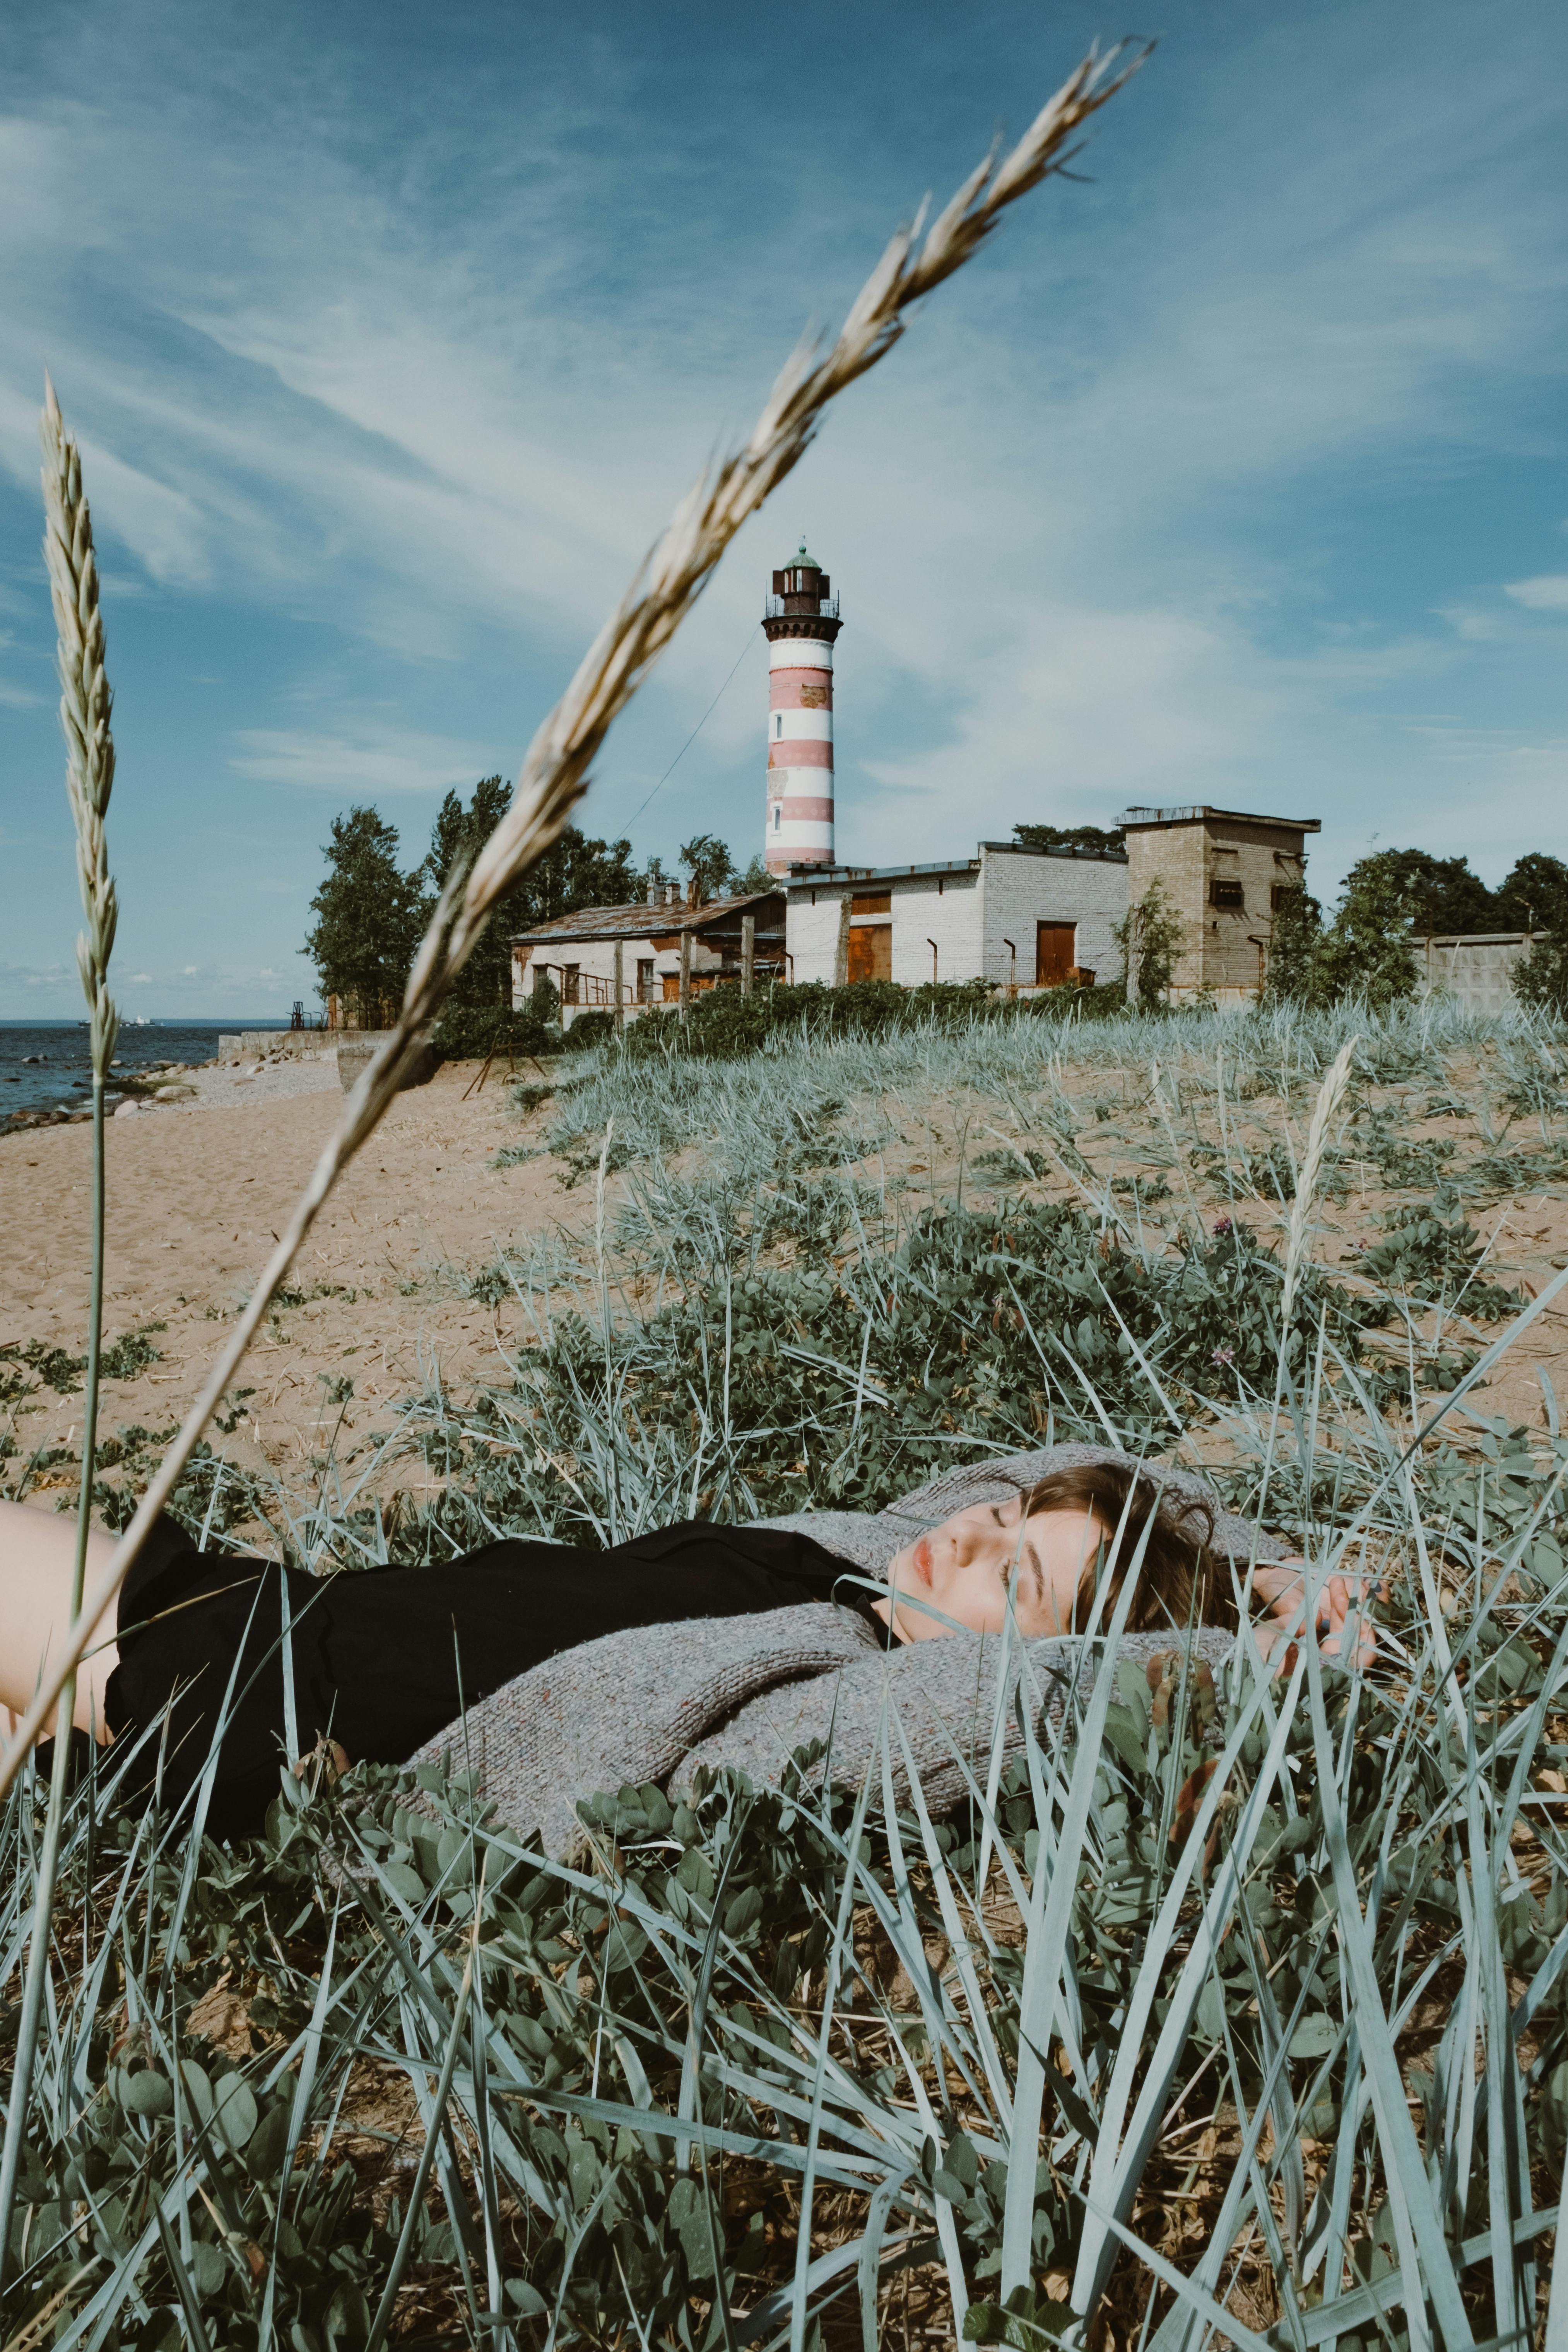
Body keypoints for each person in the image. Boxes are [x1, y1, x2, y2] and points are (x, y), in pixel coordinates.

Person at [0, 1454, 1371, 1838]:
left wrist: (1221, 1660)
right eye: (1000, 1523)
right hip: (268, 1607)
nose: (971, 1541)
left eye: (1015, 1579)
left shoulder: (845, 1685)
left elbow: (1046, 1692)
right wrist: (1253, 1572)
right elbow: (1060, 1467)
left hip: (248, 1703)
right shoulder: (854, 1549)